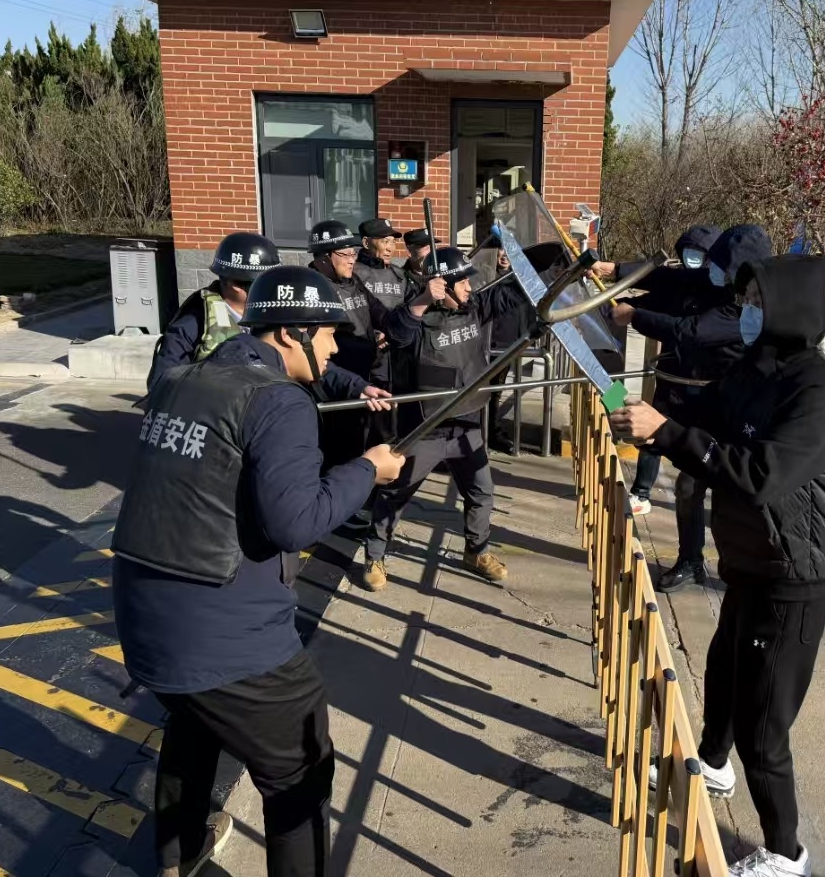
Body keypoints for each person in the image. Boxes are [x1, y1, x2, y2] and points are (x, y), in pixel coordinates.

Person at [112, 265, 404, 877]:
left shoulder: (182, 378)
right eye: (329, 334)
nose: (335, 347)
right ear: (292, 333)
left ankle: (178, 854)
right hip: (228, 637)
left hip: (144, 620)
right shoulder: (280, 401)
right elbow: (297, 523)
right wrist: (365, 471)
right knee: (300, 766)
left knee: (195, 722)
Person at [609, 255, 825, 877]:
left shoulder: (817, 390)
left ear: (790, 308)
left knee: (764, 726)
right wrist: (650, 423)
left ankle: (786, 855)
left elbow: (762, 474)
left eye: (758, 301)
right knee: (722, 671)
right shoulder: (753, 368)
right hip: (750, 555)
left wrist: (670, 435)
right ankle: (713, 764)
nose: (746, 311)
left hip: (795, 571)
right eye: (747, 299)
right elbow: (707, 425)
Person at [602, 224, 773, 592]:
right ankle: (692, 560)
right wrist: (615, 270)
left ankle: (745, 568)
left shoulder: (745, 306)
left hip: (729, 413)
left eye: (719, 264)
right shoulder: (716, 284)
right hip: (693, 402)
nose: (710, 269)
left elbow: (690, 331)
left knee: (707, 489)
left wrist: (635, 315)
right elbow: (672, 280)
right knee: (685, 483)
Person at [361, 247, 530, 592]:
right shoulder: (416, 318)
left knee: (481, 491)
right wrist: (423, 299)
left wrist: (561, 269)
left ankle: (476, 551)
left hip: (467, 424)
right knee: (396, 493)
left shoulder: (475, 307)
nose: (469, 287)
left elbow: (512, 292)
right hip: (425, 428)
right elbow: (397, 332)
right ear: (443, 286)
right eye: (462, 282)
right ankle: (374, 555)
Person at [147, 231, 280, 391]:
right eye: (264, 284)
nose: (272, 290)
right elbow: (161, 386)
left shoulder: (277, 313)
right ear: (236, 286)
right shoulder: (192, 324)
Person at [308, 220, 392, 471]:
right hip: (333, 387)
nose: (352, 260)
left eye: (353, 253)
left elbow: (381, 315)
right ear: (324, 257)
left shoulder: (352, 281)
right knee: (338, 454)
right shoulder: (312, 289)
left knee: (362, 445)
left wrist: (416, 309)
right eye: (345, 254)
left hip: (363, 380)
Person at [355, 218, 409, 446]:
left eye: (392, 242)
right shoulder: (353, 273)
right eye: (384, 241)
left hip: (396, 358)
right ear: (366, 243)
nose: (390, 248)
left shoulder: (399, 275)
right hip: (366, 357)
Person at [485, 245, 534, 454]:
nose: (504, 255)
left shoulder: (521, 279)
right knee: (485, 390)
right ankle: (488, 431)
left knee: (495, 391)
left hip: (510, 343)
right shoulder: (486, 276)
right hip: (490, 343)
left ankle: (491, 430)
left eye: (509, 250)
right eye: (501, 249)